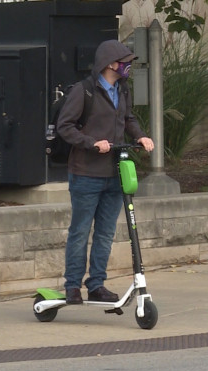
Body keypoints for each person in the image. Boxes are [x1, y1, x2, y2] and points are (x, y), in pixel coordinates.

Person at [56, 40, 155, 305]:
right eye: (126, 62)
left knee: (106, 232)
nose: (129, 67)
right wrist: (92, 143)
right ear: (111, 64)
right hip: (86, 173)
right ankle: (72, 286)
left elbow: (128, 119)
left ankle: (96, 284)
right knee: (80, 231)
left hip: (115, 173)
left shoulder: (122, 89)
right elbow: (65, 127)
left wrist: (142, 137)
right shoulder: (84, 91)